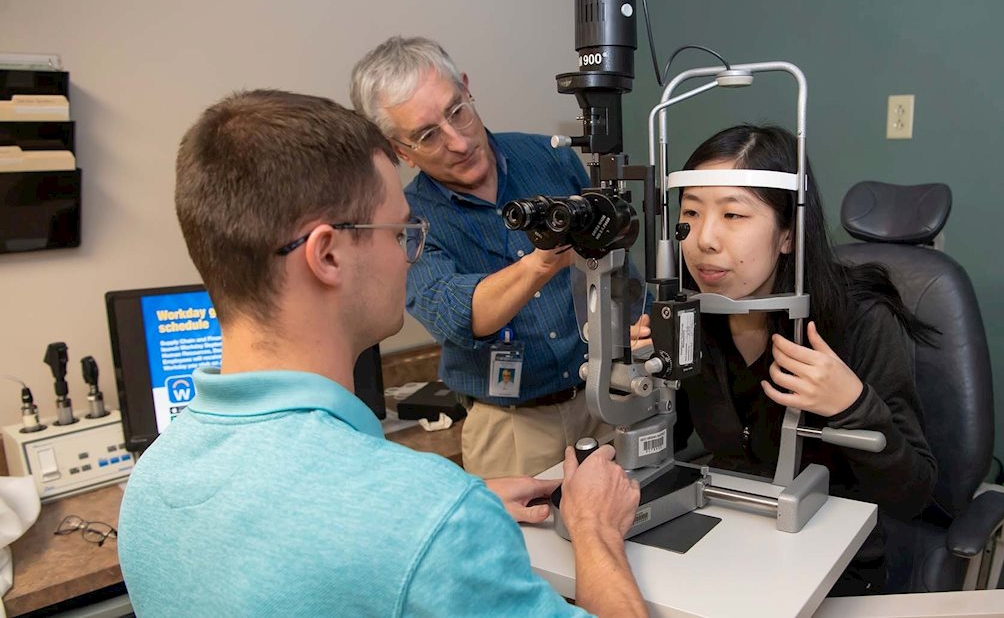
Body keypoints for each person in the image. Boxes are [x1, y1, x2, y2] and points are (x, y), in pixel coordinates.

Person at [119, 90, 646, 617]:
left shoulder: (152, 482)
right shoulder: (427, 519)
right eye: (399, 234)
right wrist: (594, 529)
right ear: (327, 255)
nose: (407, 255)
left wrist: (458, 500)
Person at [672, 124, 938, 596]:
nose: (704, 239)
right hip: (726, 539)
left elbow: (913, 493)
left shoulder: (859, 321)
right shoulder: (690, 315)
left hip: (833, 561)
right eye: (691, 211)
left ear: (787, 235)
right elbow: (667, 446)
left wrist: (852, 404)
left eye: (733, 214)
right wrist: (640, 383)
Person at [350, 35, 606, 478]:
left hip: (601, 398)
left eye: (457, 111)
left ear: (467, 87)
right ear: (399, 150)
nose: (458, 141)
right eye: (428, 135)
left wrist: (637, 329)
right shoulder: (408, 218)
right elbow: (458, 316)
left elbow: (612, 258)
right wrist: (540, 262)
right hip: (511, 427)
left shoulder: (550, 157)